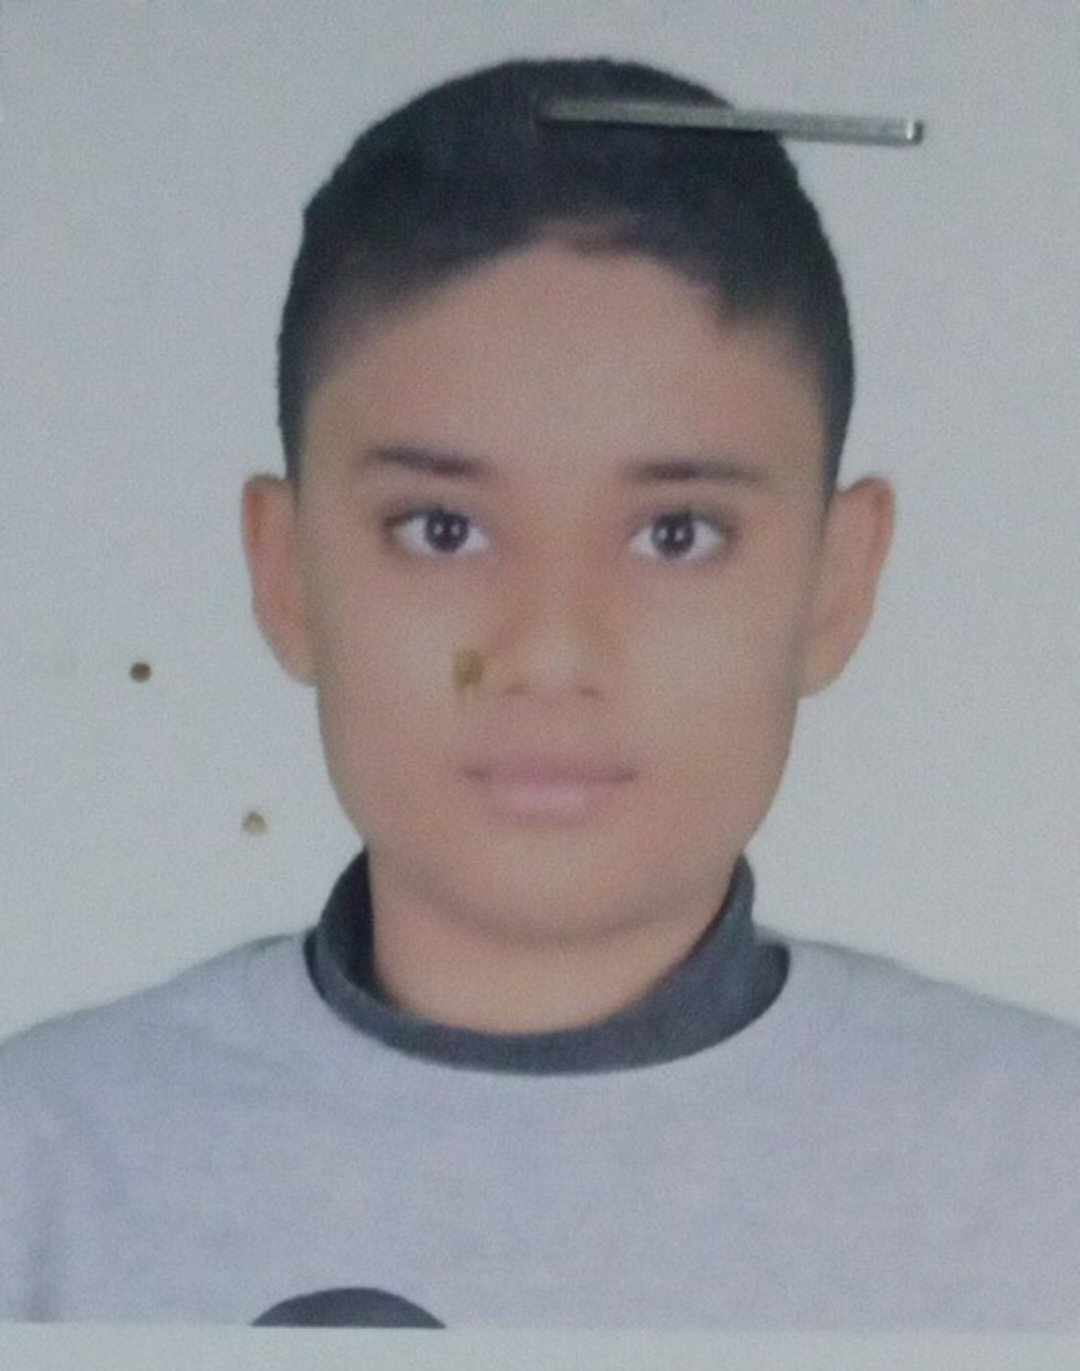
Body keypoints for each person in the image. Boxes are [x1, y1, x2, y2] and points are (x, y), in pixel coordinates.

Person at [1, 56, 1077, 1330]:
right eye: (441, 530)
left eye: (677, 534)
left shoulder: (1040, 1178)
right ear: (286, 575)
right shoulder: (46, 1172)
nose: (552, 653)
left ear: (835, 585)